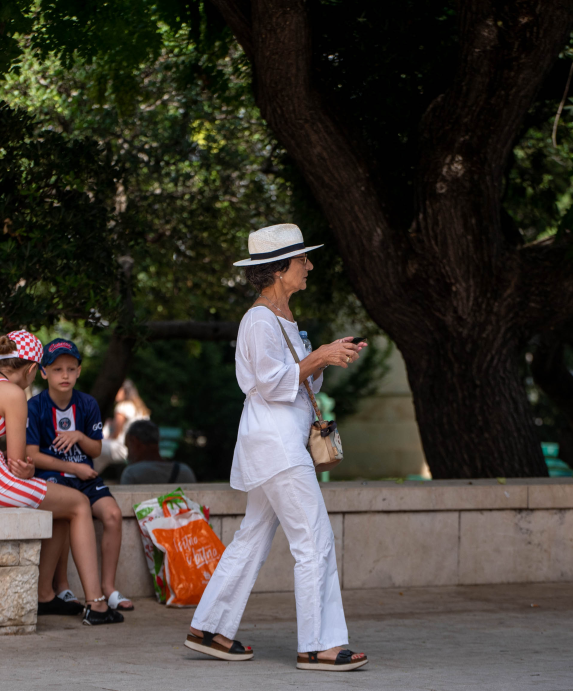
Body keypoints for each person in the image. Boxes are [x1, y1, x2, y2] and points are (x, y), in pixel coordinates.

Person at [186, 223, 369, 672]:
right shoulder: (258, 320)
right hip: (278, 447)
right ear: (279, 268)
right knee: (315, 540)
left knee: (252, 538)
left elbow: (297, 379)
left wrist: (327, 356)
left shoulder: (282, 318)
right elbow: (266, 384)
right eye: (302, 259)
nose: (309, 265)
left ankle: (209, 629)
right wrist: (320, 356)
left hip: (277, 445)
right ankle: (319, 645)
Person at [0, 330, 120, 625]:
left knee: (60, 505)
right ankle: (96, 604)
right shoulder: (12, 393)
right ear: (34, 368)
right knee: (77, 503)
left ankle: (45, 595)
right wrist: (24, 470)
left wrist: (22, 469)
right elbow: (17, 461)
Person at [24, 338, 134, 615]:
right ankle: (62, 587)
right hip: (53, 476)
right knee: (65, 513)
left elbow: (96, 448)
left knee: (112, 514)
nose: (65, 375)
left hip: (85, 476)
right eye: (58, 369)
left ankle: (108, 589)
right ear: (44, 372)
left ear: (79, 371)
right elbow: (33, 455)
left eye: (71, 369)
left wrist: (79, 436)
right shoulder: (35, 406)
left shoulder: (87, 404)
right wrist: (73, 468)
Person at [119, 420, 197, 485]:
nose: (127, 456)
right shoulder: (184, 471)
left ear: (135, 442)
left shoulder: (131, 473)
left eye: (128, 447)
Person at [97, 379, 150, 470]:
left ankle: (86, 477)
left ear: (124, 391)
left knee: (92, 447)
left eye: (117, 389)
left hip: (124, 450)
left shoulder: (122, 407)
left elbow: (115, 434)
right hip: (141, 450)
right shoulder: (141, 409)